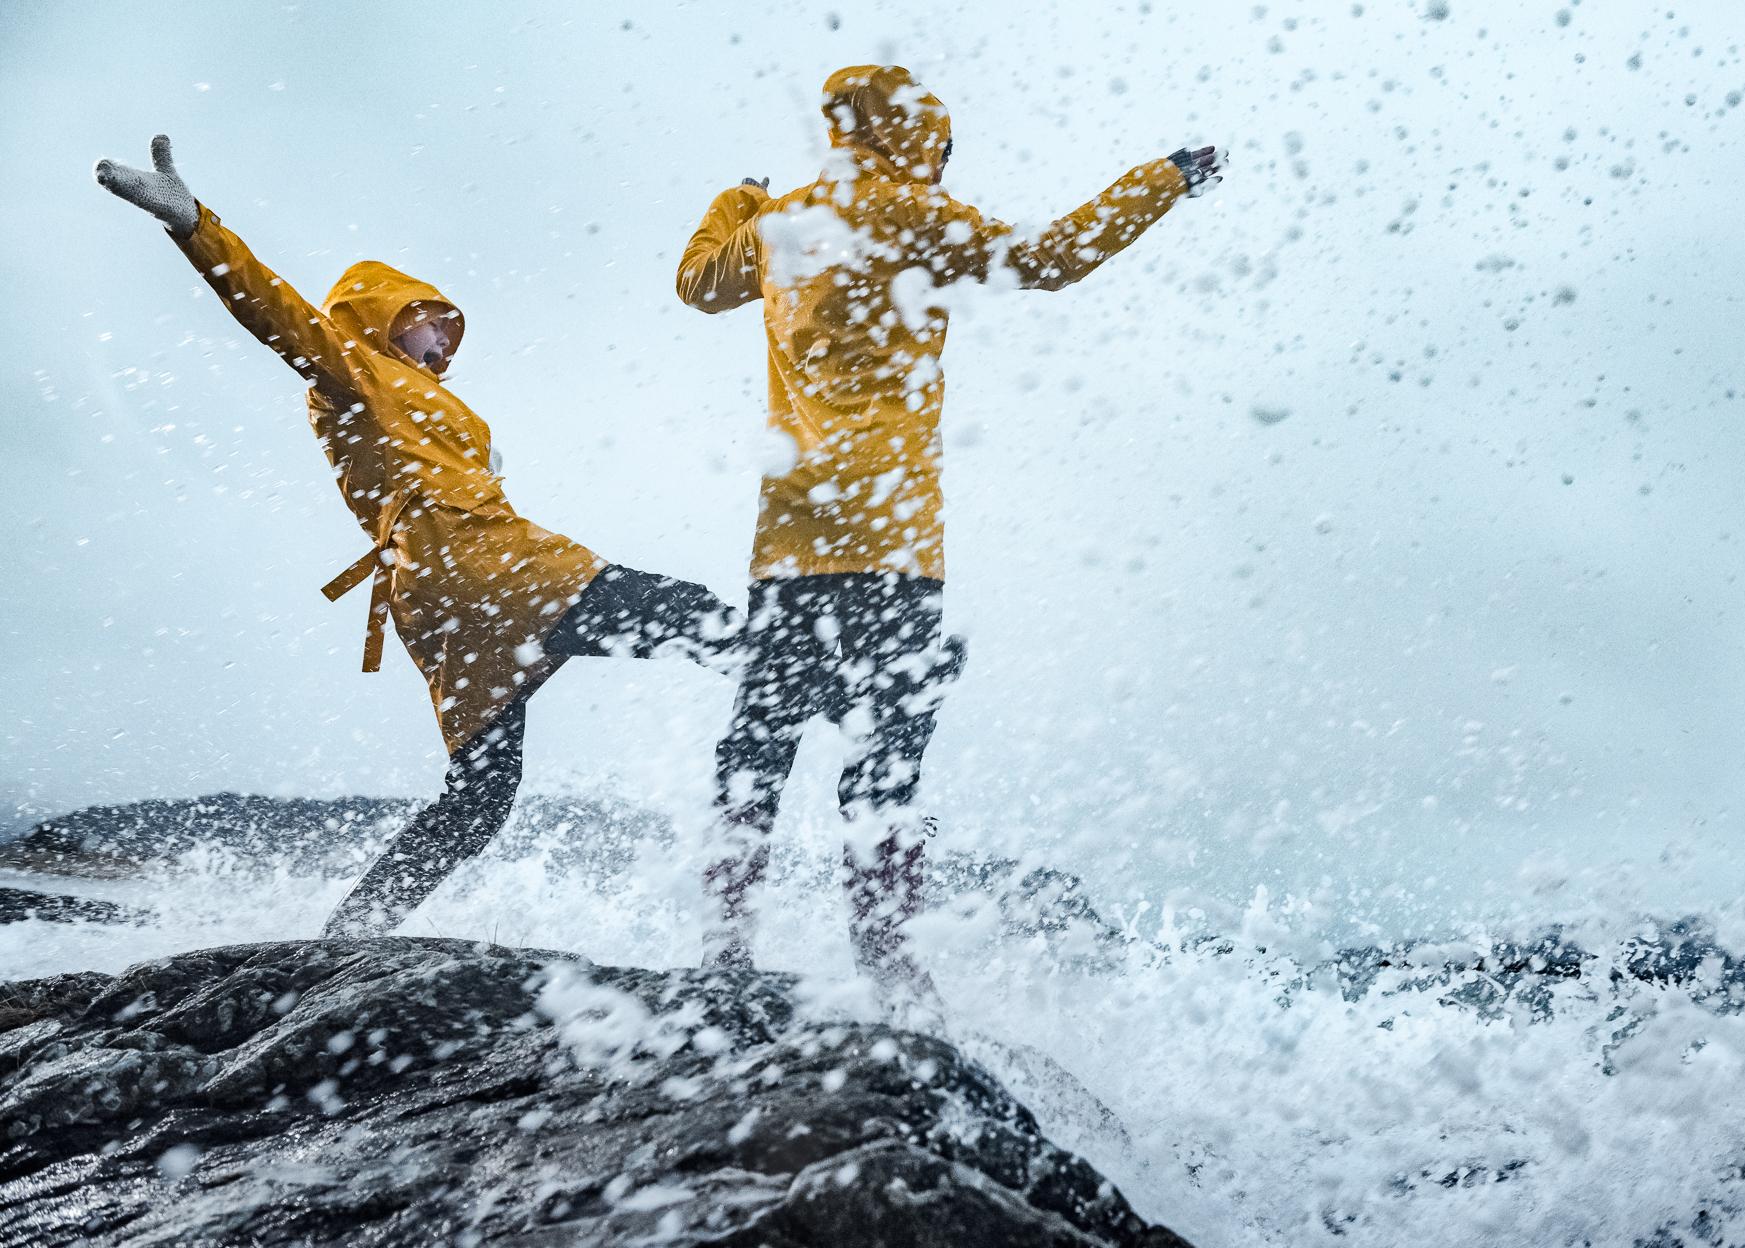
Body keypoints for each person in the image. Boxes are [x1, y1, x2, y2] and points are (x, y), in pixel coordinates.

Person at [676, 65, 1224, 1011]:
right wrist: (1164, 176)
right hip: (894, 539)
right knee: (885, 757)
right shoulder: (912, 214)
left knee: (756, 747)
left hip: (791, 541)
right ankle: (889, 964)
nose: (942, 164)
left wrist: (744, 198)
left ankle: (722, 951)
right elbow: (1054, 256)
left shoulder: (779, 228)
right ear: (914, 136)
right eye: (940, 147)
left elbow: (694, 283)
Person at [95, 135, 741, 937]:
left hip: (434, 598)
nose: (447, 340)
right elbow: (278, 313)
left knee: (477, 803)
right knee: (688, 610)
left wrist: (473, 455)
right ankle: (809, 677)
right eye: (435, 322)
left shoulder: (398, 396)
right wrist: (196, 225)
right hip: (482, 560)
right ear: (391, 316)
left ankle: (351, 933)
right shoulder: (353, 368)